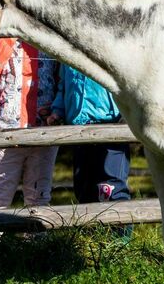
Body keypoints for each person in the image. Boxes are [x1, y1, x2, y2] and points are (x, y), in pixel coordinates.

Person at [0, 38, 57, 209]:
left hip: (44, 127)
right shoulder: (3, 38)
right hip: (8, 129)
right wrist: (6, 42)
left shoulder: (46, 37)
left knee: (39, 196)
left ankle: (37, 236)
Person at [43, 62, 133, 209]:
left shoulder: (106, 46)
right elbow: (63, 87)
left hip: (110, 128)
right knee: (83, 186)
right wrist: (57, 111)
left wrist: (126, 112)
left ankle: (117, 231)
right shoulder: (69, 56)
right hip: (79, 130)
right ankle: (88, 230)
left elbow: (127, 82)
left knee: (110, 186)